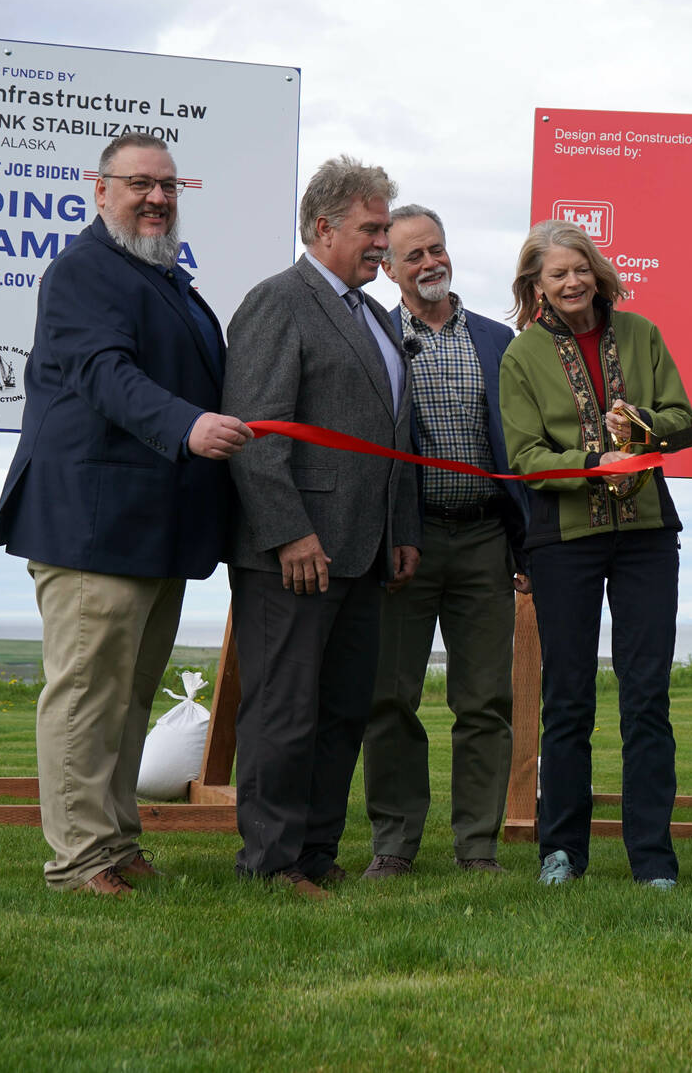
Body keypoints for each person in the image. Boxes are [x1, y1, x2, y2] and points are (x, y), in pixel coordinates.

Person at [0, 131, 253, 896]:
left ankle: (114, 839)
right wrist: (188, 426)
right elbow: (106, 374)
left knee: (129, 695)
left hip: (152, 529)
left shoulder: (167, 277)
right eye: (140, 183)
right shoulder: (82, 273)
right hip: (90, 526)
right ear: (98, 189)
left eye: (169, 186)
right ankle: (77, 860)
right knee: (87, 693)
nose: (158, 198)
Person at [223, 155, 421, 898]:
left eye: (385, 228)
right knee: (283, 708)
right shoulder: (278, 300)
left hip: (362, 552)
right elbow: (256, 429)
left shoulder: (372, 314)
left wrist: (401, 529)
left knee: (340, 710)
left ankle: (313, 851)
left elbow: (393, 437)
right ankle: (269, 863)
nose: (383, 242)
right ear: (323, 226)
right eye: (372, 229)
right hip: (295, 552)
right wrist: (287, 532)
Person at [497, 220, 692, 889]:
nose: (573, 281)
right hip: (563, 540)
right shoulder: (521, 356)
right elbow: (524, 458)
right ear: (537, 286)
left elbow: (679, 416)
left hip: (646, 533)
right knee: (568, 699)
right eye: (557, 274)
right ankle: (562, 852)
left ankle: (653, 860)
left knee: (646, 697)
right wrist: (592, 461)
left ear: (597, 270)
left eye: (580, 267)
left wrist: (640, 423)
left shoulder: (642, 334)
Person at [360, 204, 530, 878]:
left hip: (486, 538)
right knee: (390, 695)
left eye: (437, 249)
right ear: (388, 270)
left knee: (485, 699)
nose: (430, 263)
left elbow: (519, 452)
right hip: (407, 542)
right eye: (413, 256)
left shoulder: (498, 340)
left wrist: (526, 549)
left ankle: (478, 846)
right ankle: (395, 844)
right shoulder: (372, 335)